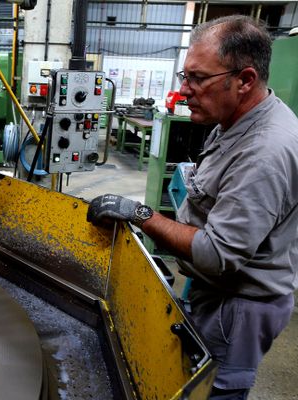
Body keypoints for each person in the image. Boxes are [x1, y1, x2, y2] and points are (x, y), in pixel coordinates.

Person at [86, 15, 298, 400]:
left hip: (238, 309)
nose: (183, 90)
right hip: (211, 290)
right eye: (186, 77)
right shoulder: (237, 120)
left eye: (197, 78)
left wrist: (141, 214)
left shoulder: (265, 152)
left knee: (211, 391)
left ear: (245, 80)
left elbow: (217, 254)